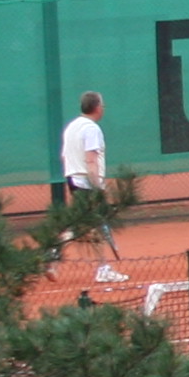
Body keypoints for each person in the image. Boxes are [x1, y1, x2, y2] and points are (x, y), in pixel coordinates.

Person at [56, 91, 127, 283]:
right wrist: (98, 188)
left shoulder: (71, 127)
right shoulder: (91, 129)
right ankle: (103, 269)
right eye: (102, 105)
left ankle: (53, 254)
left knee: (78, 224)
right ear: (97, 107)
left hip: (73, 180)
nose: (103, 108)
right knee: (93, 227)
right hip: (87, 183)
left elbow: (65, 157)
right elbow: (91, 160)